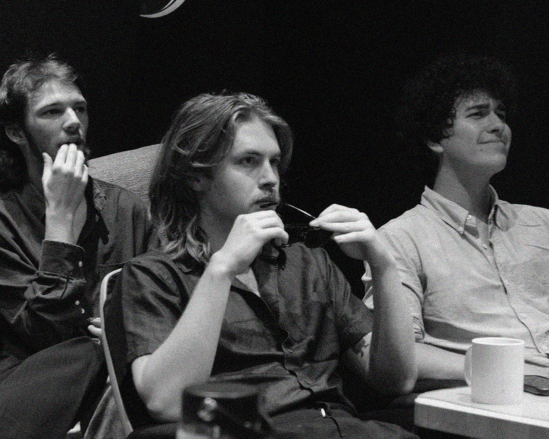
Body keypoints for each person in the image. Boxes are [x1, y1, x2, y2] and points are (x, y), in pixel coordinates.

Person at [113, 92, 417, 438]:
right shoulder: (153, 276)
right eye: (248, 161)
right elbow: (167, 403)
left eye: (274, 162)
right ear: (197, 177)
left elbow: (396, 380)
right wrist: (222, 268)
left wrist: (383, 264)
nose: (271, 178)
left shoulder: (308, 263)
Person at [0, 55, 154, 439]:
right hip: (32, 383)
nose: (74, 121)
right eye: (52, 112)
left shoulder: (126, 209)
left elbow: (160, 301)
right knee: (85, 351)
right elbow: (44, 335)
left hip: (122, 373)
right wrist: (60, 219)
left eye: (80, 108)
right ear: (17, 133)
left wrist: (127, 331)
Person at [363, 54, 549, 385]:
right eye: (478, 114)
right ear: (435, 138)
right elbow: (400, 355)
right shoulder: (400, 239)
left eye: (501, 114)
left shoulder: (542, 223)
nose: (498, 126)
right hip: (494, 398)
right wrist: (520, 374)